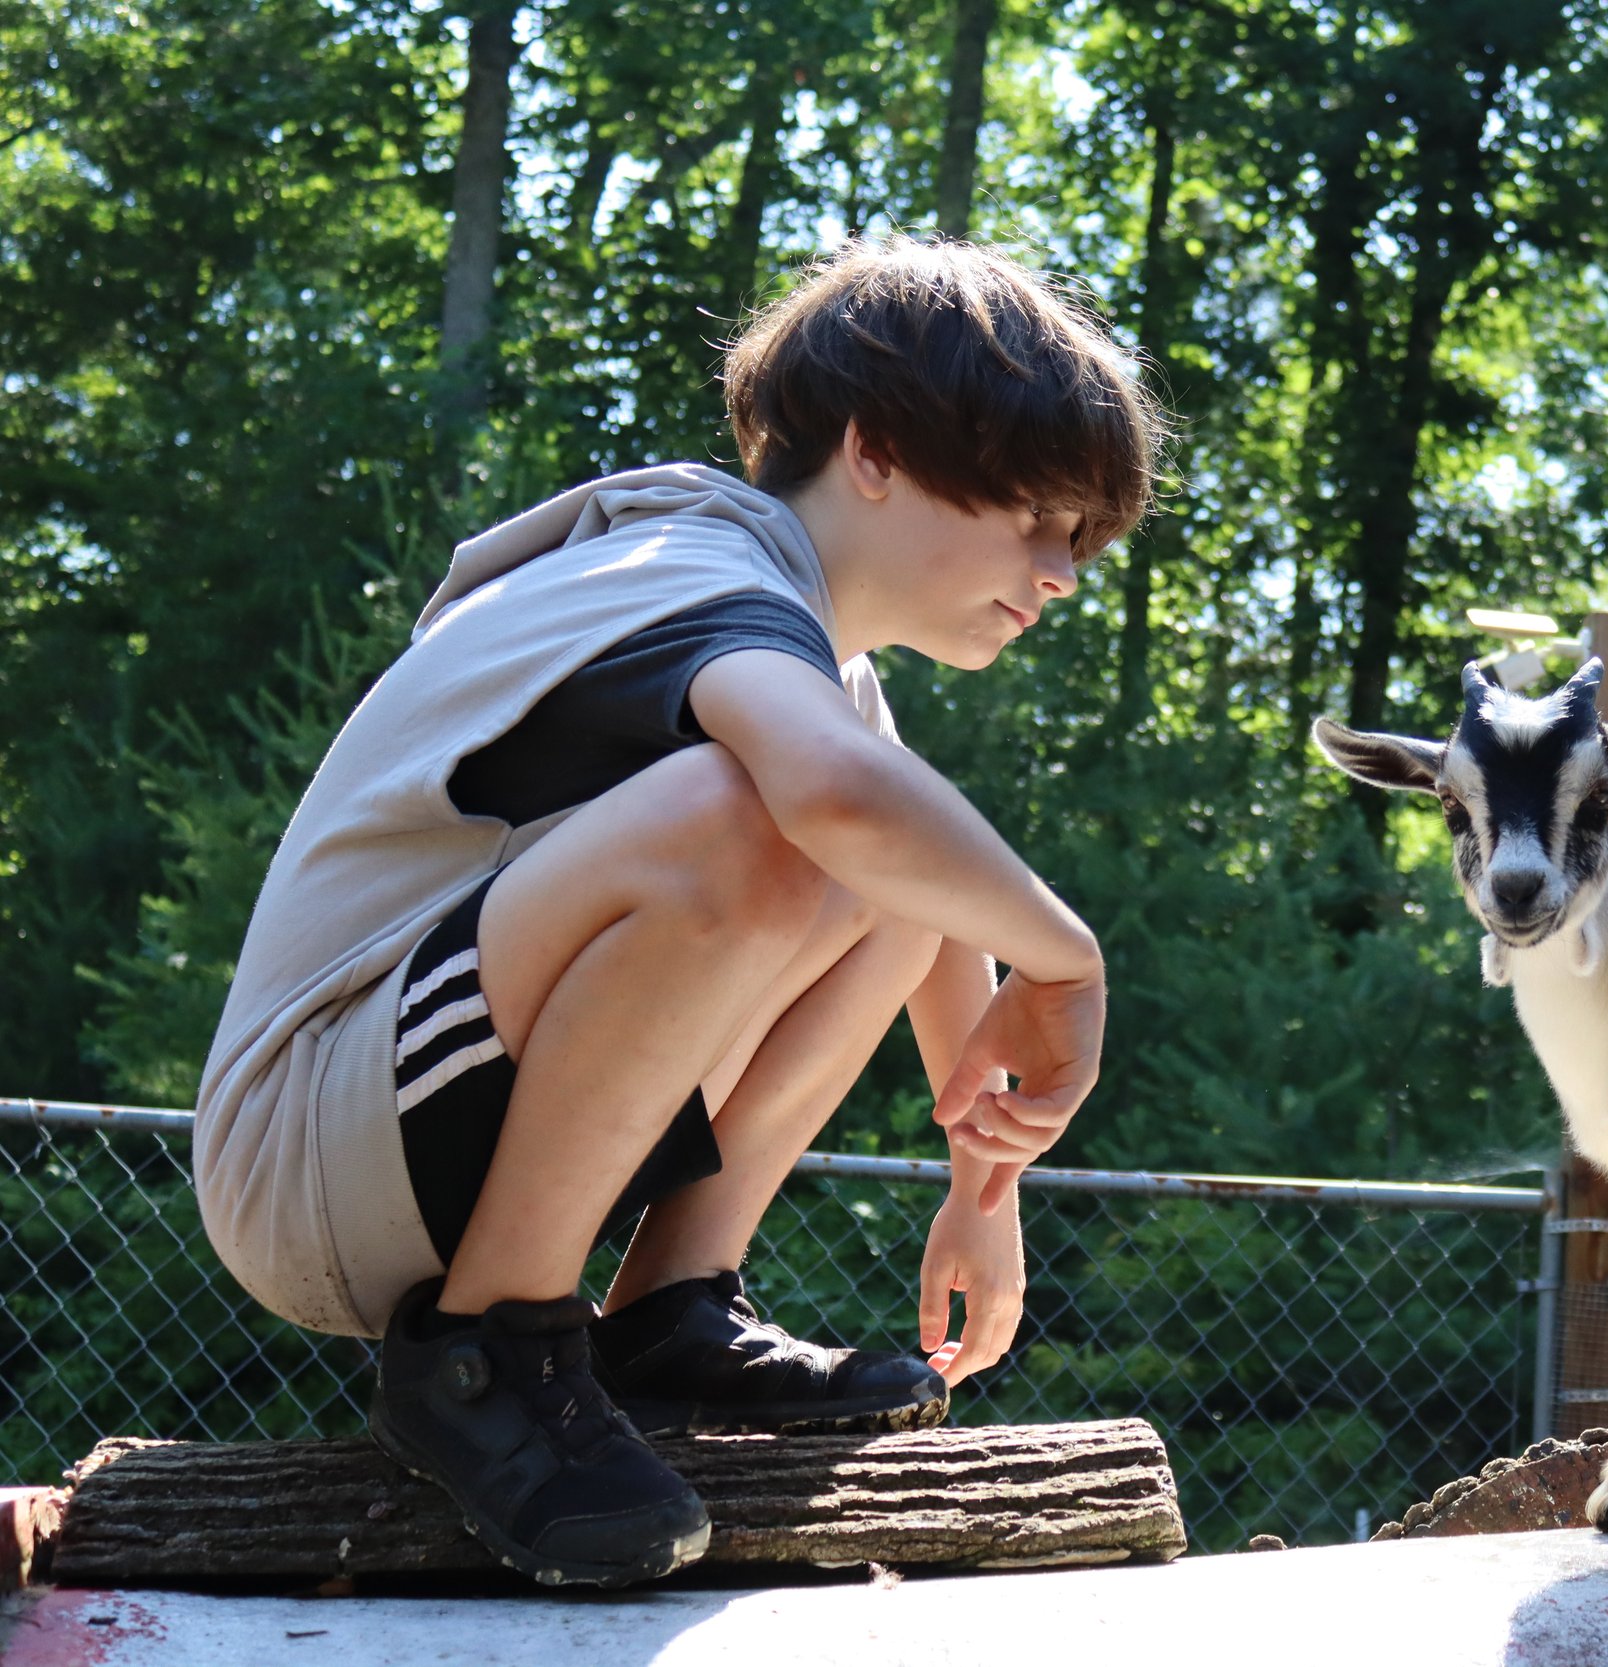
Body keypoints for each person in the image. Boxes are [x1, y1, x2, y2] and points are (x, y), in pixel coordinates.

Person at [191, 236, 1165, 1587]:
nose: (1064, 572)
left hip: (426, 1125)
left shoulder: (823, 675)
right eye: (1039, 517)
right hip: (310, 1146)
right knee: (761, 817)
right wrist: (1073, 962)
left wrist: (983, 1188)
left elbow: (920, 890)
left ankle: (666, 1311)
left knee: (897, 841)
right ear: (877, 452)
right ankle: (490, 1351)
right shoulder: (684, 564)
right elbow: (832, 801)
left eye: (1083, 541)